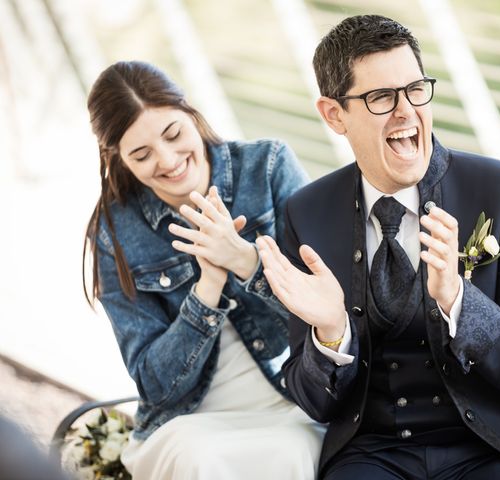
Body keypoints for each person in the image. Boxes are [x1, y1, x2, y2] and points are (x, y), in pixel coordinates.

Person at [256, 14, 500, 480]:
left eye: (415, 89)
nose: (406, 110)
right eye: (381, 97)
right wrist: (330, 333)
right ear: (334, 115)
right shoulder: (307, 214)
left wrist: (457, 298)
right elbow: (315, 402)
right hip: (374, 456)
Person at [82, 60, 323, 479]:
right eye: (141, 155)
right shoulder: (114, 232)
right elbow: (156, 385)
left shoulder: (268, 167)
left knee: (292, 450)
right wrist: (207, 289)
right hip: (187, 415)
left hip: (288, 393)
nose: (169, 161)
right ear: (118, 158)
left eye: (174, 134)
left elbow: (331, 312)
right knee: (199, 458)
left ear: (190, 114)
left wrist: (244, 261)